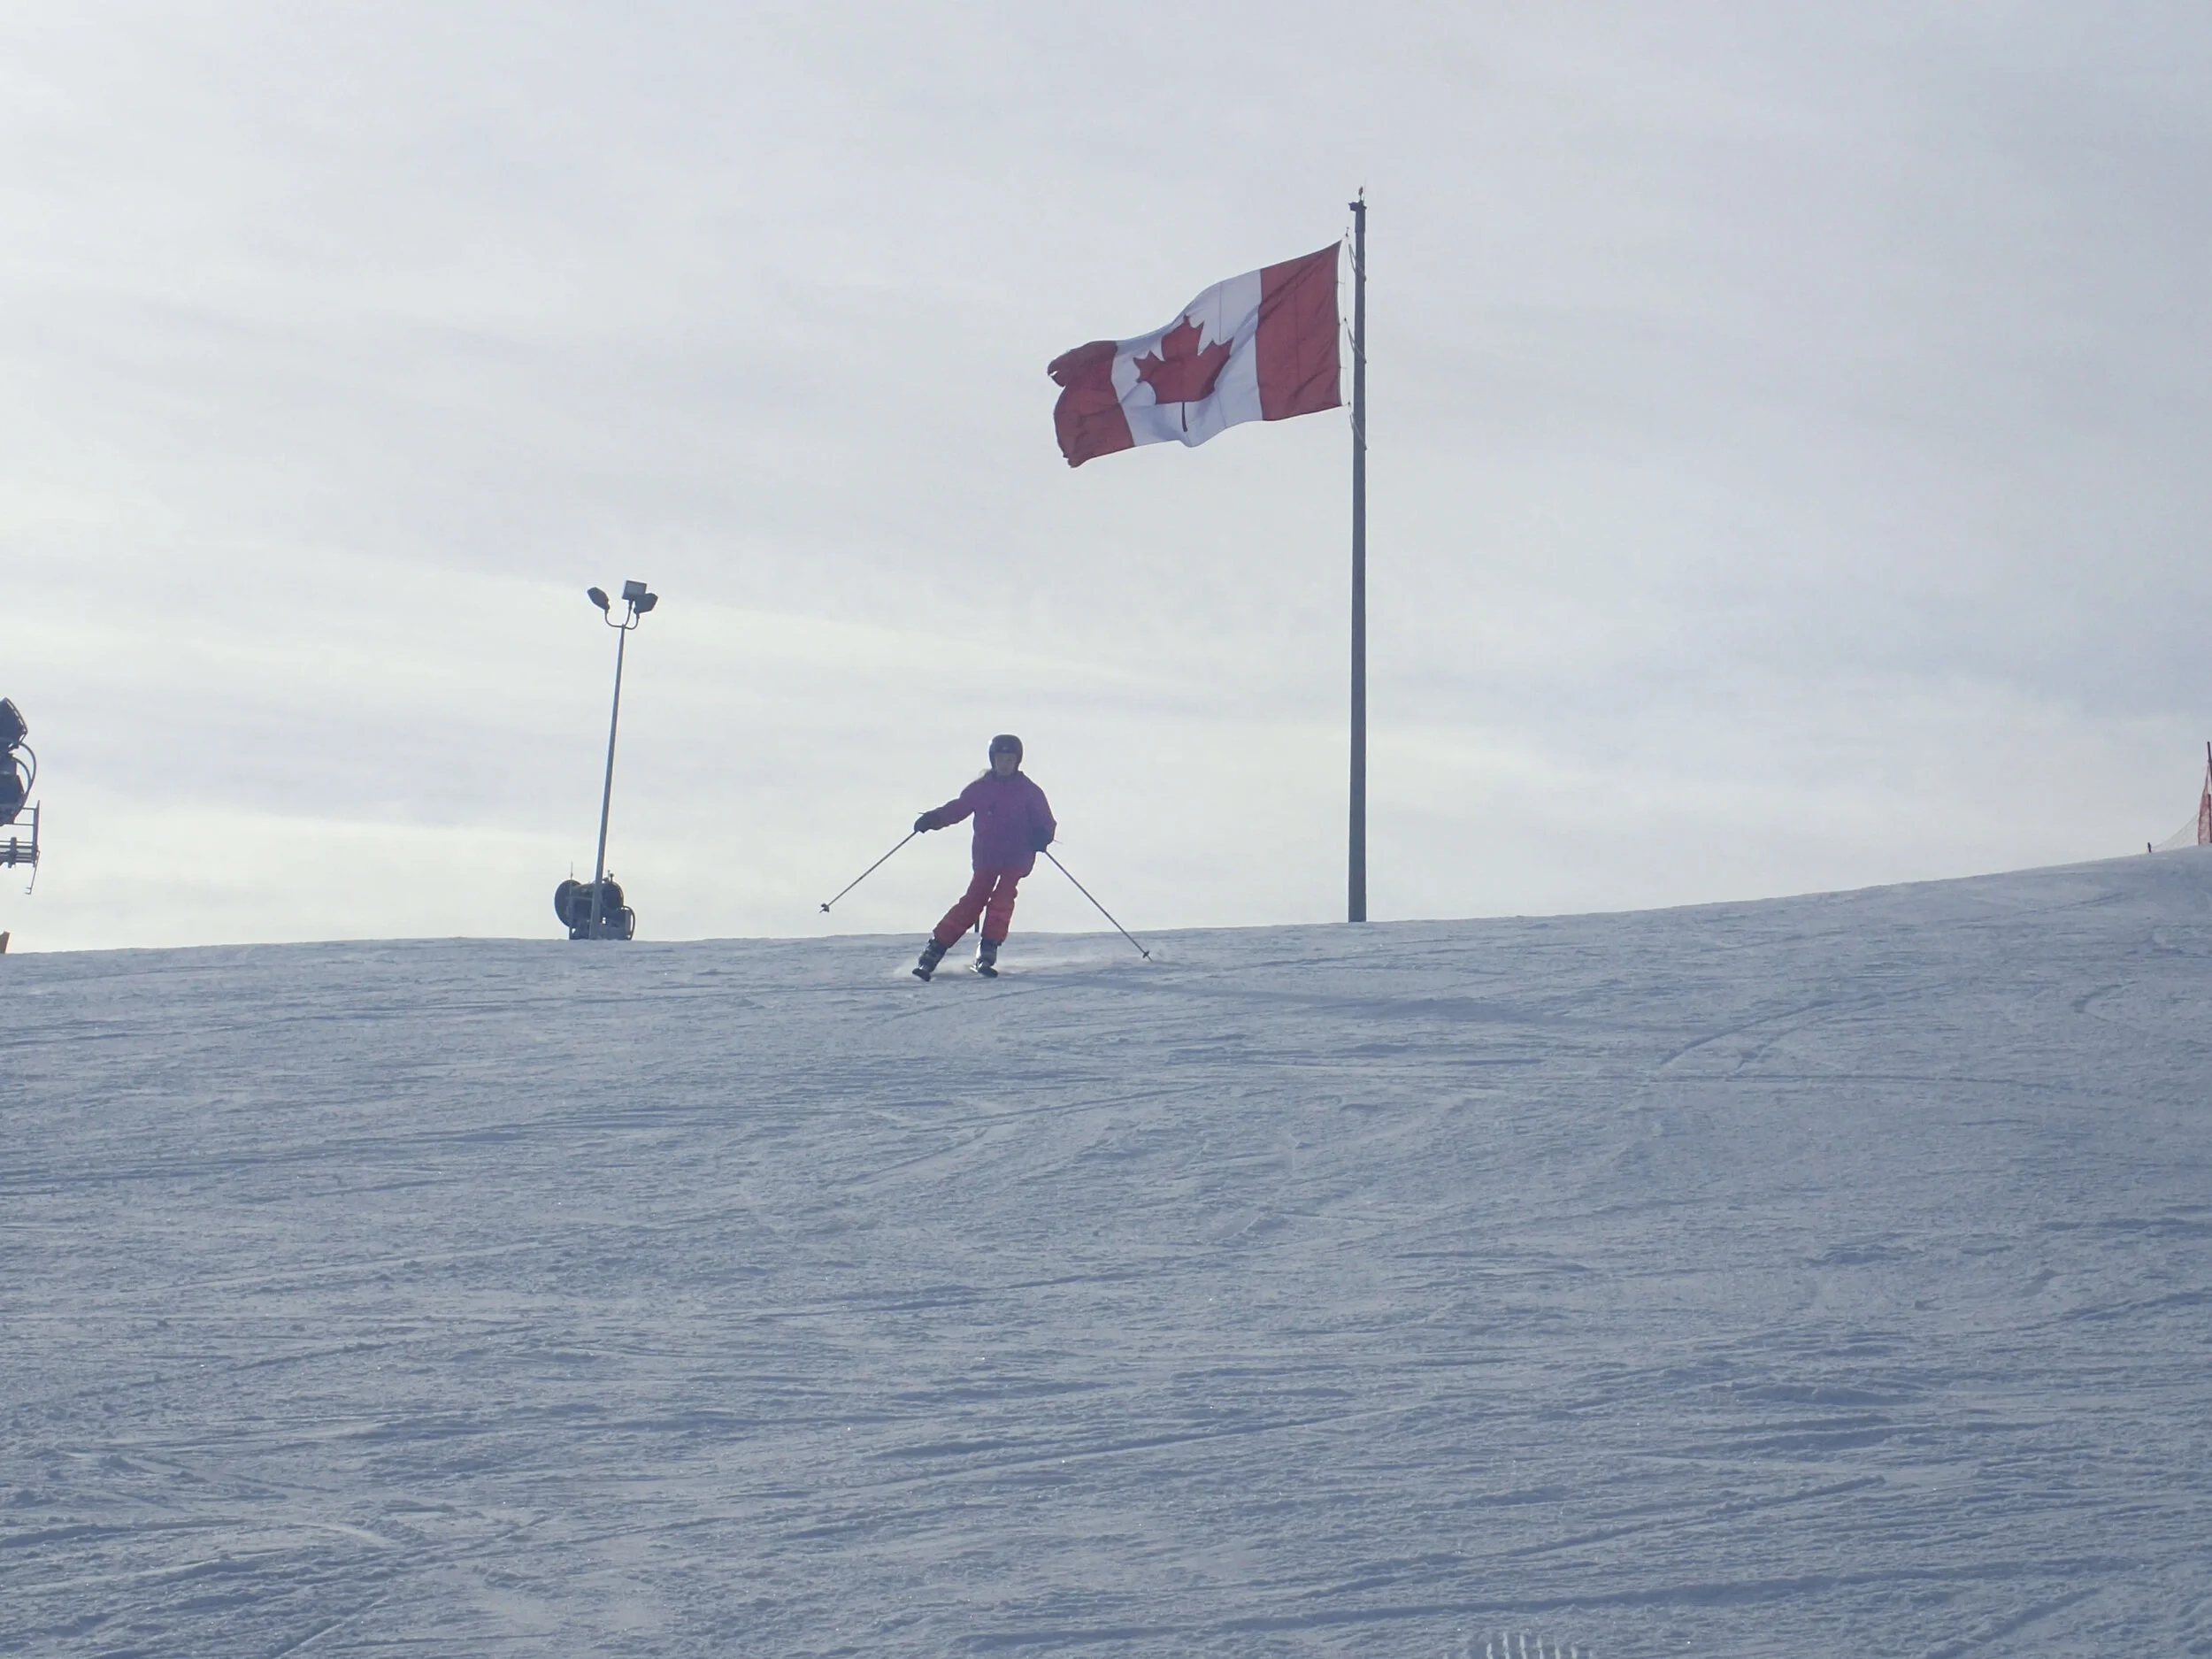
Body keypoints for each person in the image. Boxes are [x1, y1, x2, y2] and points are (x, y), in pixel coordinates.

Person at [910, 734, 1056, 979]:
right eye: (1001, 759)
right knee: (974, 900)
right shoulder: (981, 789)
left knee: (1003, 896)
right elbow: (958, 808)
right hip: (987, 857)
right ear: (993, 760)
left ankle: (989, 946)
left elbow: (1045, 821)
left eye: (1010, 759)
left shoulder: (1029, 792)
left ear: (1017, 761)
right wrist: (934, 819)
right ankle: (936, 947)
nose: (1005, 764)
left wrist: (1042, 836)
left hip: (1016, 857)